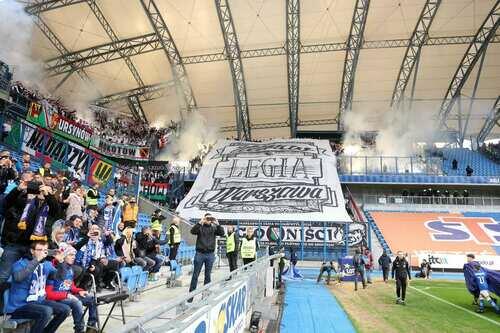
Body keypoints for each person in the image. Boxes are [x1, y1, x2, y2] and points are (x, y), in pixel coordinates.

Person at [5, 241, 71, 333]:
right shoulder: (21, 263)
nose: (42, 253)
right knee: (46, 311)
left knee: (65, 310)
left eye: (45, 250)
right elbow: (18, 277)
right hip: (19, 305)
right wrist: (36, 260)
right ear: (32, 251)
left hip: (38, 301)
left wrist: (61, 262)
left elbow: (60, 278)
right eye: (40, 250)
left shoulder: (47, 264)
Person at [46, 243, 98, 332]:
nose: (74, 257)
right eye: (70, 255)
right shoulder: (54, 268)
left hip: (68, 295)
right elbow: (48, 294)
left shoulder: (70, 268)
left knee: (91, 299)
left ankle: (91, 326)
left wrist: (80, 291)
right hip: (58, 297)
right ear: (63, 256)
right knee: (76, 302)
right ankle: (79, 330)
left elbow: (71, 286)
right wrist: (66, 295)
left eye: (74, 255)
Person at [188, 213, 225, 301]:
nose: (208, 220)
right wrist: (200, 222)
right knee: (195, 275)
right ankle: (190, 297)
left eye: (210, 218)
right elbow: (192, 231)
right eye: (207, 218)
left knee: (207, 275)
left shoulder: (214, 228)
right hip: (199, 253)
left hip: (210, 254)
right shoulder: (200, 227)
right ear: (204, 218)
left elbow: (222, 233)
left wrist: (217, 224)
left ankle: (205, 295)